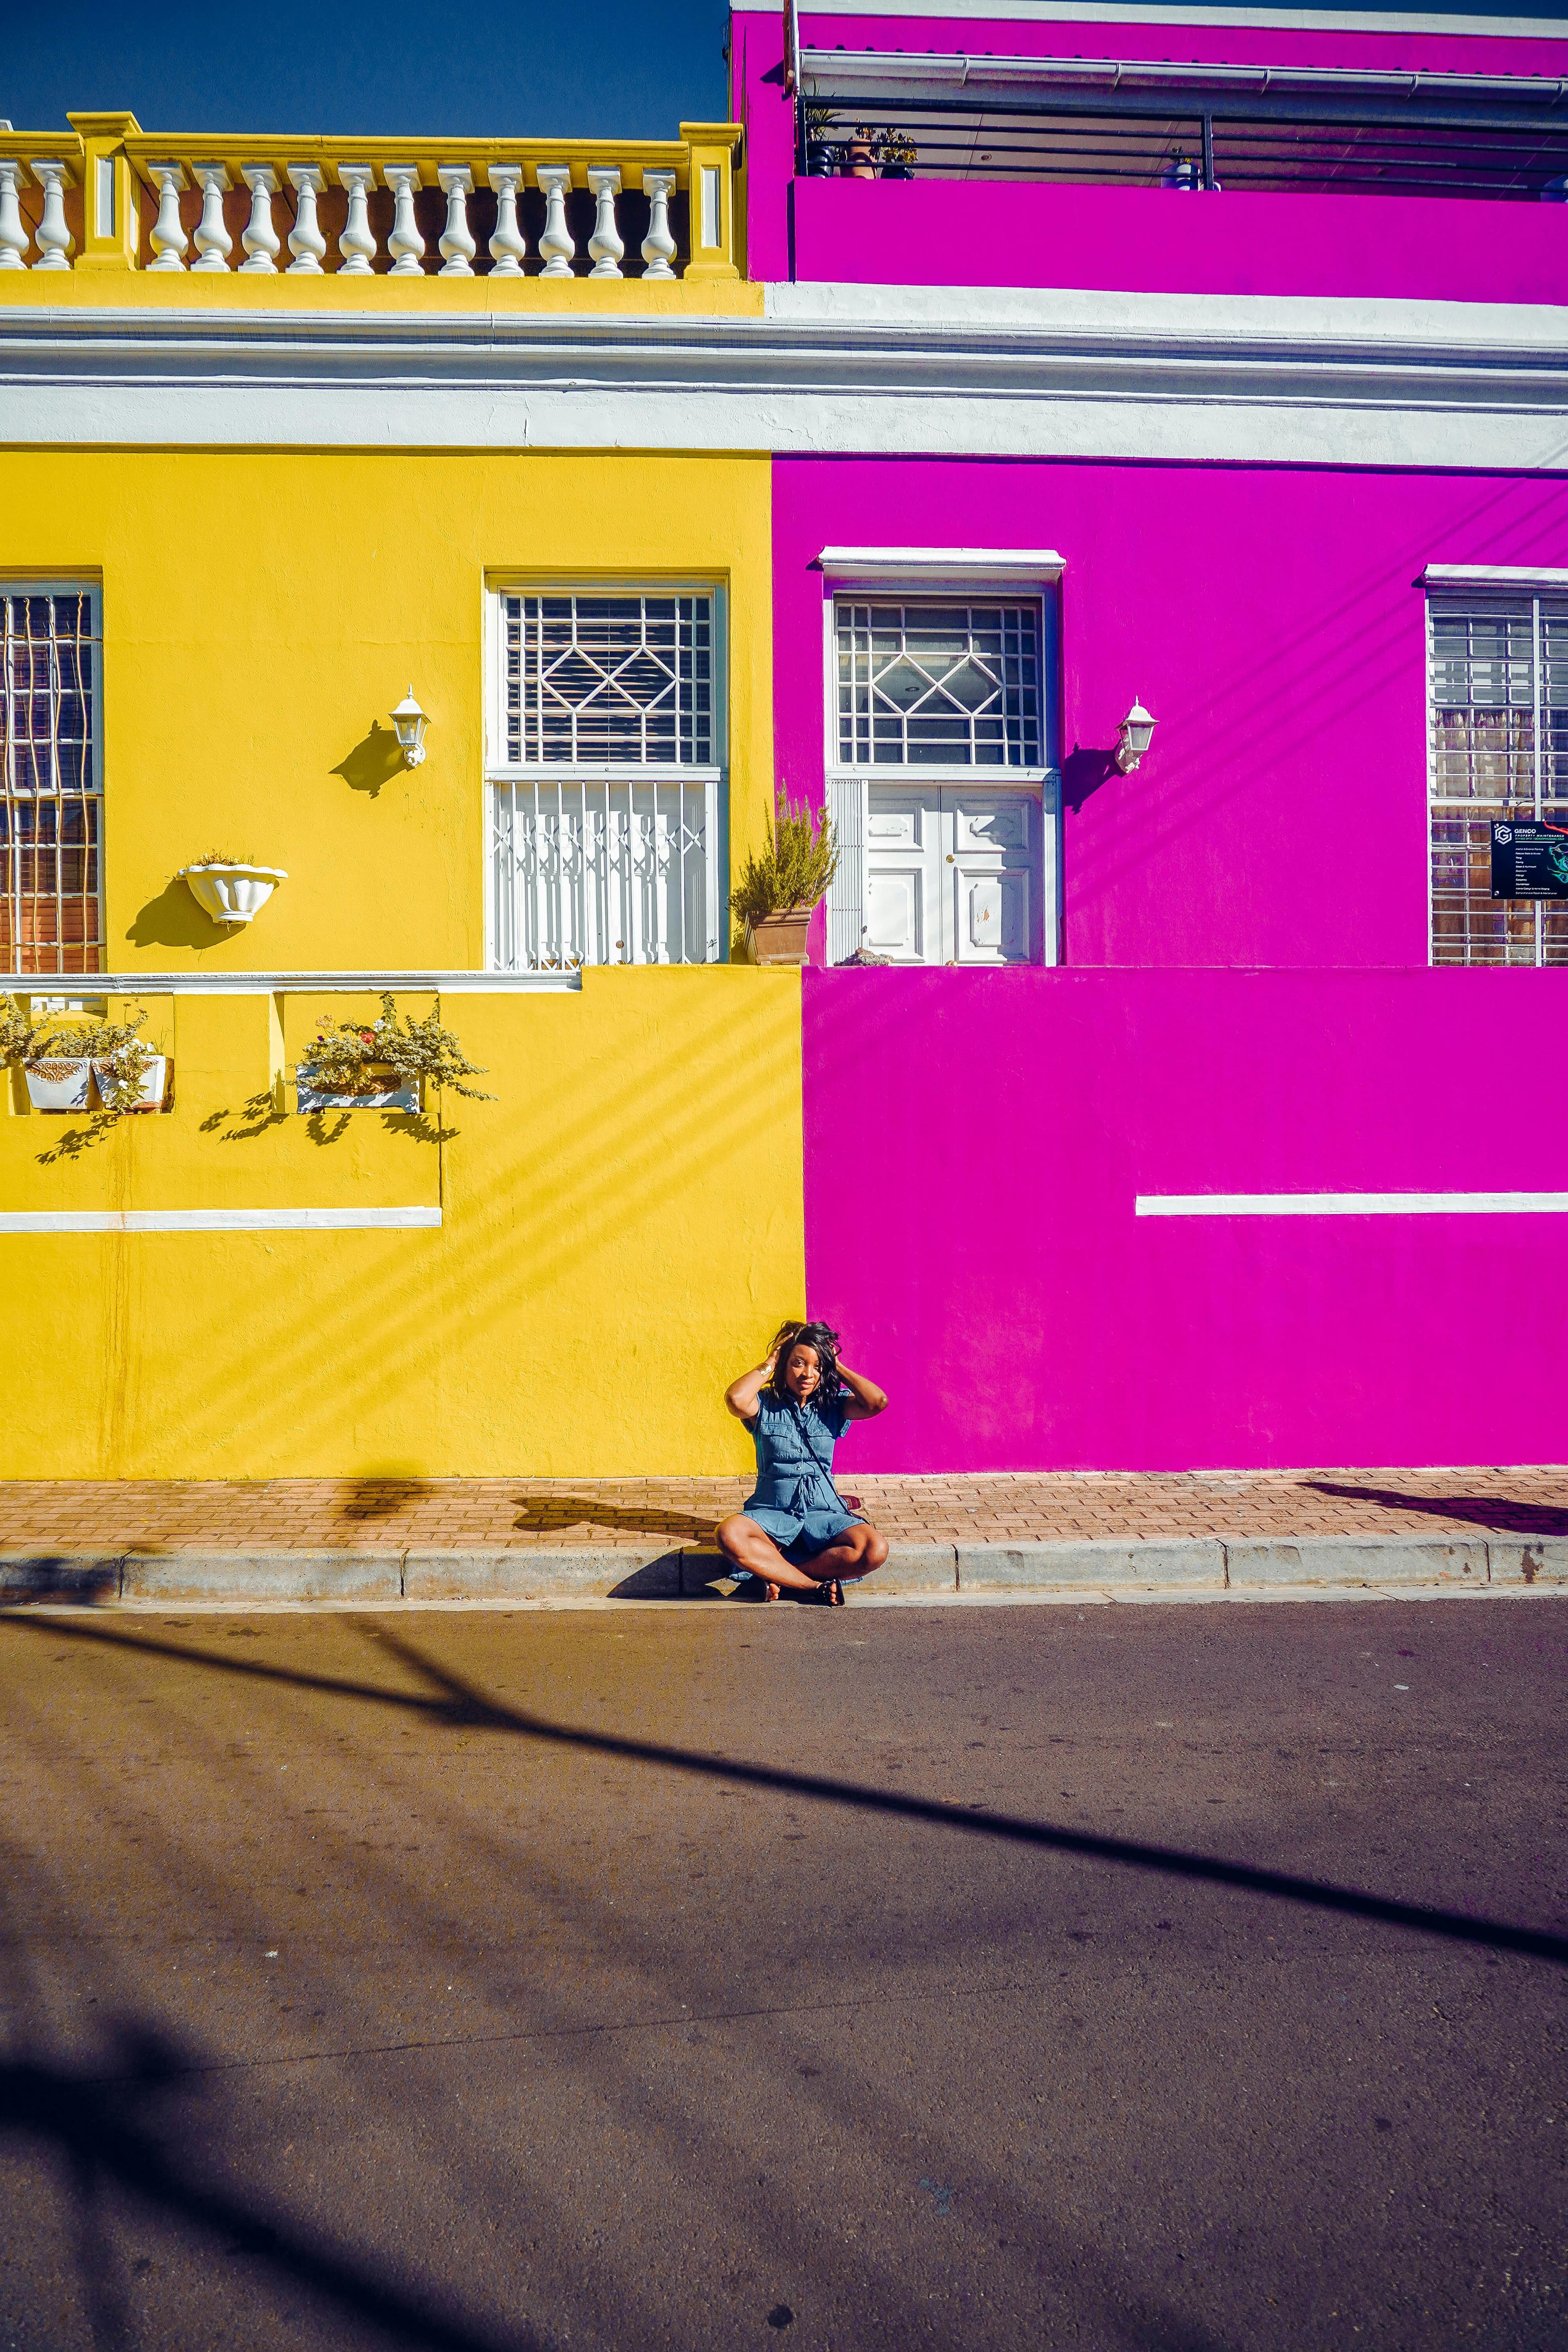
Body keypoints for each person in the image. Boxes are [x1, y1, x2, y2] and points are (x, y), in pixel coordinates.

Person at [716, 1321, 889, 1606]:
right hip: (772, 1512)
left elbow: (877, 1402)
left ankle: (782, 1577)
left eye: (817, 1366)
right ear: (785, 1364)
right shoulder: (764, 1404)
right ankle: (812, 1587)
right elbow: (736, 1399)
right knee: (729, 1533)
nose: (808, 1374)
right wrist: (770, 1362)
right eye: (798, 1363)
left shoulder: (833, 1405)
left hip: (824, 1513)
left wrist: (836, 1365)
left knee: (874, 1548)